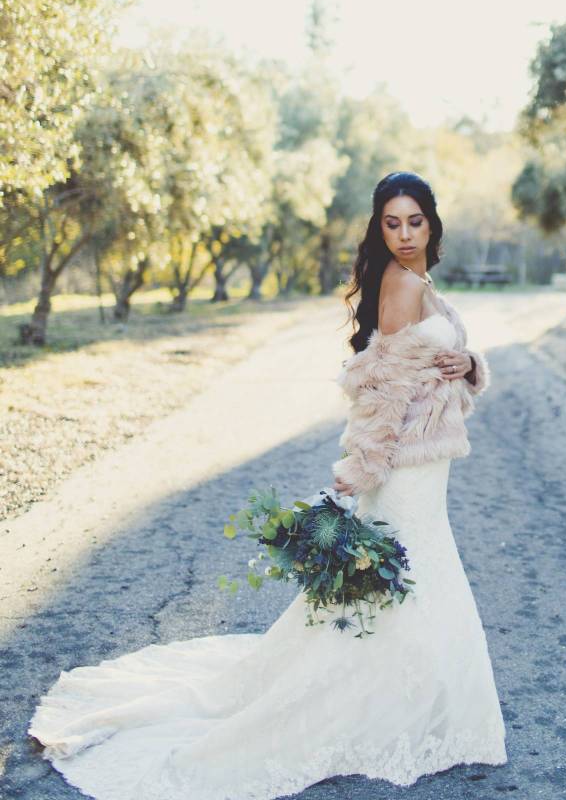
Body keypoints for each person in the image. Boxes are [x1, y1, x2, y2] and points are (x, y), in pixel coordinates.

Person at [28, 170, 507, 799]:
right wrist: (362, 472)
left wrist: (470, 363)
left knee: (405, 581)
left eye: (414, 220)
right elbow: (383, 390)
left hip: (422, 463)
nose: (404, 234)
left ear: (432, 222)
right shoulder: (400, 281)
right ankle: (390, 708)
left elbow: (430, 365)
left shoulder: (417, 281)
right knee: (411, 577)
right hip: (403, 467)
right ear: (378, 226)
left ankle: (406, 703)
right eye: (391, 222)